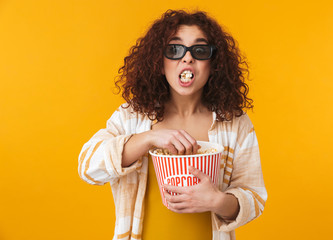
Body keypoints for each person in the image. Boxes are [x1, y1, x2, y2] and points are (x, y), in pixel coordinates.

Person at [78, 9, 267, 240]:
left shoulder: (235, 123)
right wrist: (148, 139)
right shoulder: (132, 117)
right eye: (174, 49)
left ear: (213, 64)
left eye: (199, 50)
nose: (187, 58)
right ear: (159, 62)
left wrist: (217, 201)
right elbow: (87, 167)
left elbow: (254, 197)